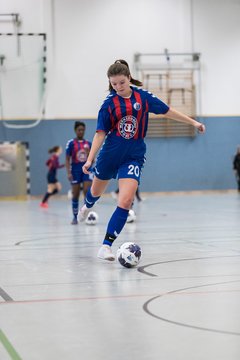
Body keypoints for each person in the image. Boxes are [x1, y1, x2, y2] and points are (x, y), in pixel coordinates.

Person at [79, 59, 205, 261]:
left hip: (134, 155)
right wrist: (89, 159)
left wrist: (194, 122)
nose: (118, 87)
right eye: (114, 84)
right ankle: (87, 206)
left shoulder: (143, 97)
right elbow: (100, 134)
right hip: (110, 154)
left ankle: (106, 245)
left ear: (129, 78)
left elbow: (167, 111)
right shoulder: (109, 104)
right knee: (95, 193)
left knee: (126, 200)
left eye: (121, 82)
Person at [66, 121, 93, 224]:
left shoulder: (89, 144)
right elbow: (67, 159)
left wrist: (88, 153)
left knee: (87, 191)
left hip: (86, 170)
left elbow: (93, 160)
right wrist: (69, 172)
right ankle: (75, 217)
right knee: (75, 194)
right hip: (75, 170)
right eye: (79, 130)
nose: (81, 132)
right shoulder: (71, 143)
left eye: (83, 130)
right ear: (75, 131)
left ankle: (86, 214)